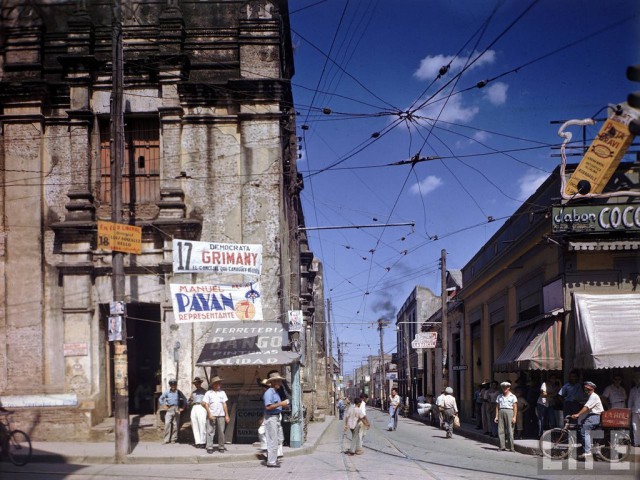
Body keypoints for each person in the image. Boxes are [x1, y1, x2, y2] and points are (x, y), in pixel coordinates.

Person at [571, 381, 604, 460]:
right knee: (582, 425)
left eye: (588, 390)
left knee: (584, 432)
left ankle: (588, 452)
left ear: (592, 389)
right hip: (592, 416)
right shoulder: (591, 396)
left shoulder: (593, 396)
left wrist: (578, 414)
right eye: (585, 389)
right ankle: (587, 445)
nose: (586, 391)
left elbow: (587, 407)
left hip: (594, 417)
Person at [263, 372, 289, 468]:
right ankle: (271, 461)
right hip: (271, 417)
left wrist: (282, 405)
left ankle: (274, 458)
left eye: (280, 381)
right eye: (277, 381)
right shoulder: (269, 393)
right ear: (273, 382)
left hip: (276, 417)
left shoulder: (276, 392)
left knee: (278, 439)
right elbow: (268, 407)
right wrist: (281, 404)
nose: (279, 382)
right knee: (272, 440)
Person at [202, 376, 230, 454]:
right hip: (212, 414)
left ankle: (221, 446)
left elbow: (224, 404)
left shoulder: (222, 393)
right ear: (213, 384)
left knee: (221, 431)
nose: (219, 385)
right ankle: (210, 446)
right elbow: (206, 404)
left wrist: (227, 415)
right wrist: (209, 414)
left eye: (219, 383)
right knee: (210, 431)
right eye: (218, 383)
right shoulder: (208, 393)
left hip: (221, 414)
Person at [158, 379, 187, 444]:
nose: (173, 386)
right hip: (169, 408)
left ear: (176, 385)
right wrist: (163, 405)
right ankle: (166, 439)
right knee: (167, 423)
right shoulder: (167, 392)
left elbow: (185, 399)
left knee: (175, 424)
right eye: (172, 384)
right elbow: (160, 398)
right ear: (170, 385)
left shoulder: (179, 392)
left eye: (174, 384)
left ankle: (173, 439)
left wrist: (183, 407)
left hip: (176, 408)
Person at [494, 382, 518, 451]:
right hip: (501, 411)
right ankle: (502, 446)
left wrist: (514, 417)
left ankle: (511, 447)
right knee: (500, 430)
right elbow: (497, 407)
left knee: (510, 430)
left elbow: (515, 407)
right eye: (503, 387)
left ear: (509, 388)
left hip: (510, 411)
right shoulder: (499, 396)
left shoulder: (513, 396)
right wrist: (496, 416)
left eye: (506, 387)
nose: (505, 388)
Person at [189, 377, 207, 449]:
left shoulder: (205, 392)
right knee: (195, 424)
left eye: (198, 383)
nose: (197, 384)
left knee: (202, 424)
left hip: (202, 407)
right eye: (196, 383)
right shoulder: (193, 393)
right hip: (194, 407)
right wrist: (190, 400)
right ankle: (197, 442)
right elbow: (189, 402)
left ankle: (203, 442)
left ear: (200, 383)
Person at [628, 372, 640, 447]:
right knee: (635, 427)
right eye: (635, 378)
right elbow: (630, 400)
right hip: (635, 411)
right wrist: (629, 411)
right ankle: (637, 442)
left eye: (638, 378)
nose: (637, 380)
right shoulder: (633, 389)